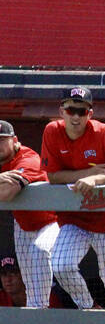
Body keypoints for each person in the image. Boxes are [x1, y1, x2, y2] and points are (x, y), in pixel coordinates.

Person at [41, 86, 105, 310]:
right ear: (61, 111)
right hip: (73, 219)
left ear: (89, 114)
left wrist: (97, 180)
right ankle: (90, 307)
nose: (75, 116)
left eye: (81, 112)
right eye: (71, 110)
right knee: (61, 266)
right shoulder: (52, 131)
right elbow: (52, 176)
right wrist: (89, 174)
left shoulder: (103, 132)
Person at [0, 120, 58, 307]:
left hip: (50, 222)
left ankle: (87, 306)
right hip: (23, 224)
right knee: (29, 281)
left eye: (2, 140)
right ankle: (36, 315)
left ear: (15, 140)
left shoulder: (28, 159)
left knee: (40, 252)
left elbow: (7, 193)